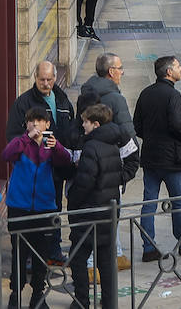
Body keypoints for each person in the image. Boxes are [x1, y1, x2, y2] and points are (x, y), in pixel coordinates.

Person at [1, 105, 72, 306]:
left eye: (39, 120)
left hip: (44, 207)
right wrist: (27, 137)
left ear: (47, 123)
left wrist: (56, 146)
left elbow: (65, 161)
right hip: (19, 206)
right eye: (32, 121)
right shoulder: (20, 142)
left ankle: (37, 295)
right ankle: (15, 294)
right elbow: (6, 155)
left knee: (42, 254)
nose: (35, 124)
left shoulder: (51, 145)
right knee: (19, 252)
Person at [68, 103, 133, 308]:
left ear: (95, 124)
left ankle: (81, 301)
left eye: (86, 122)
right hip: (108, 211)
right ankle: (108, 302)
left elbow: (85, 182)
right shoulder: (113, 144)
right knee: (106, 261)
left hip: (90, 213)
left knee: (77, 259)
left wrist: (72, 202)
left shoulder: (92, 147)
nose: (83, 125)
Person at [135, 55, 181, 261]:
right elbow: (177, 124)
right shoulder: (173, 95)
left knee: (149, 202)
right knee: (178, 202)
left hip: (151, 155)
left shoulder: (145, 93)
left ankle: (148, 247)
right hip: (171, 158)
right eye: (179, 67)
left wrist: (152, 136)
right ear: (169, 72)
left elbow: (137, 125)